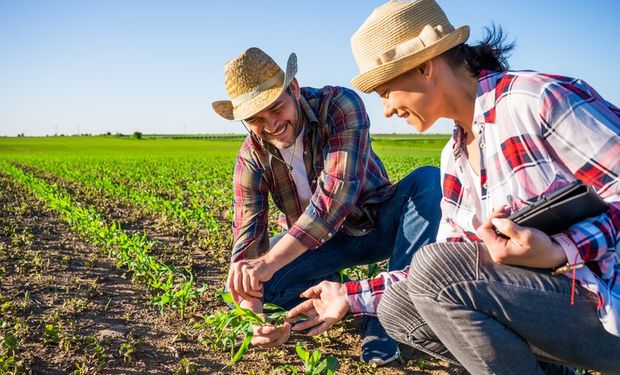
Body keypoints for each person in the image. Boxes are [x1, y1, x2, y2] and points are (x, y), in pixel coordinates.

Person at [287, 1, 620, 374]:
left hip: (606, 303)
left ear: (425, 66)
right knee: (398, 309)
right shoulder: (455, 157)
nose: (386, 110)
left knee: (433, 269)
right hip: (554, 309)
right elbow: (452, 265)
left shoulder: (535, 100)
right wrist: (349, 296)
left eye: (385, 91)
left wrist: (560, 249)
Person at [211, 47, 442, 364]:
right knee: (241, 289)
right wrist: (257, 315)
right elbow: (247, 237)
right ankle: (333, 293)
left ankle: (383, 318)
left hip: (375, 225)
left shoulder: (339, 105)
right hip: (315, 247)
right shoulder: (252, 156)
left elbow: (335, 199)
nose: (271, 124)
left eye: (276, 108)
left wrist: (266, 265)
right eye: (256, 120)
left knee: (430, 181)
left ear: (293, 88)